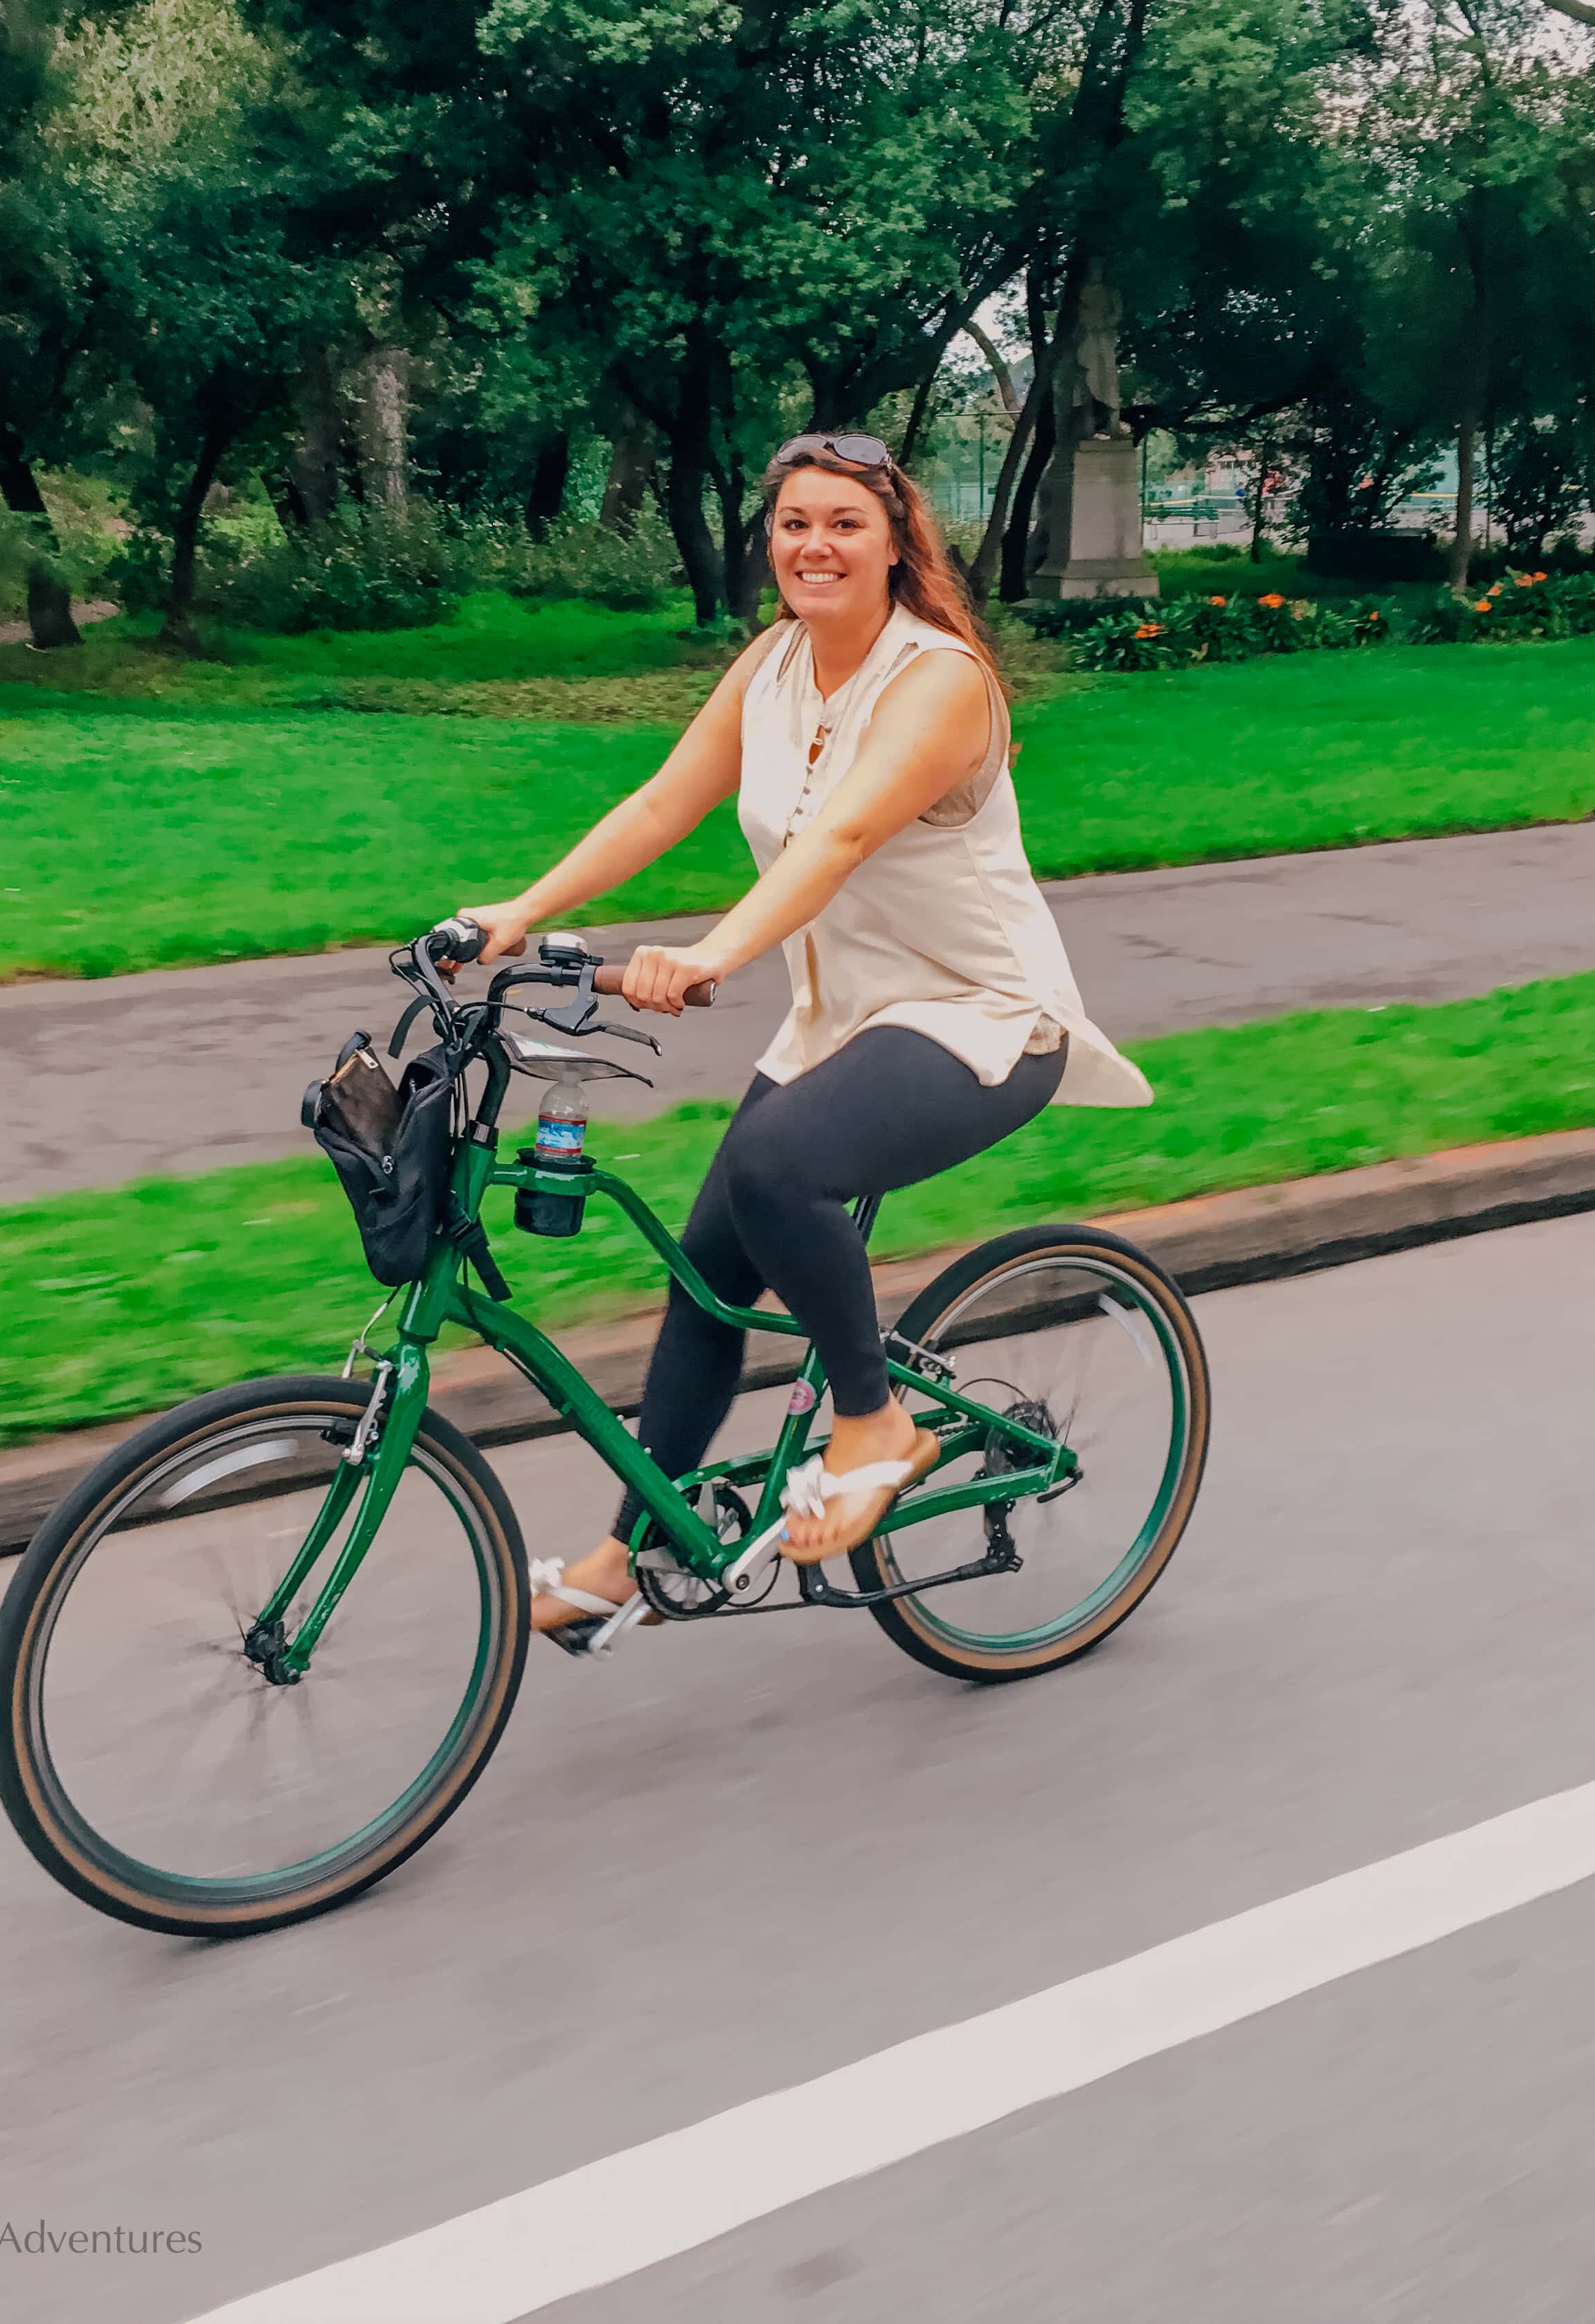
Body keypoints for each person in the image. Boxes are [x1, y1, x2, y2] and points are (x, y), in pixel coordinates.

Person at [457, 432, 1150, 1642]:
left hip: (979, 1014)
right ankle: (634, 1550)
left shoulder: (939, 680)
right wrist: (520, 913)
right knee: (709, 1279)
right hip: (843, 1022)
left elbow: (835, 843)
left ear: (894, 544)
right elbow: (663, 801)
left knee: (780, 1167)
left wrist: (714, 956)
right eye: (793, 524)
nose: (814, 545)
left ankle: (877, 1422)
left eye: (843, 524)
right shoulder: (774, 664)